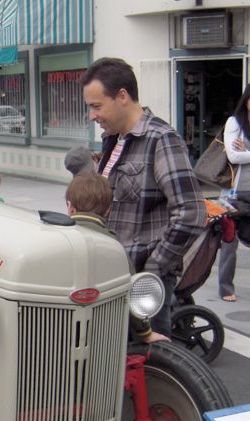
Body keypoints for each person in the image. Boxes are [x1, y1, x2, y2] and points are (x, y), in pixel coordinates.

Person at [81, 57, 206, 337]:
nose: (92, 116)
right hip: (112, 277)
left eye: (96, 106)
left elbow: (192, 212)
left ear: (122, 96)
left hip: (140, 287)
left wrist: (153, 268)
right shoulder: (114, 139)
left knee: (147, 370)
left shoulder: (161, 139)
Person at [66, 172, 166, 344]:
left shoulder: (59, 240)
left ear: (70, 207)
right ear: (108, 210)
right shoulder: (114, 246)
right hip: (104, 334)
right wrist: (145, 332)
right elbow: (132, 291)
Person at [219, 84, 250, 302]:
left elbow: (243, 155)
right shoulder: (235, 124)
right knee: (229, 241)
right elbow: (233, 156)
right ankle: (225, 288)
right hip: (236, 192)